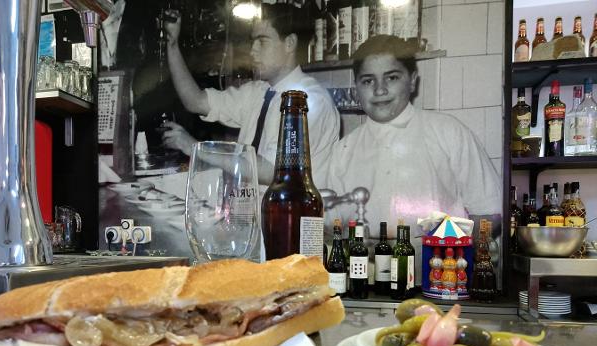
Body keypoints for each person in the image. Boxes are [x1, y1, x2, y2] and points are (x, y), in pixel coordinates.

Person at [320, 35, 502, 283]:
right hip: (366, 285)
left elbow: (490, 213)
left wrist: (445, 249)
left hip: (440, 279)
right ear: (356, 87)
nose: (380, 89)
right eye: (368, 80)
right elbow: (330, 228)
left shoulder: (448, 132)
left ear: (413, 81)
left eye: (392, 77)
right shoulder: (343, 151)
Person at [162, 3, 340, 185]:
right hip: (252, 208)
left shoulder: (310, 101)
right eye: (253, 42)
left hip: (293, 211)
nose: (252, 50)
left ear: (290, 43)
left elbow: (272, 171)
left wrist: (196, 148)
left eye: (262, 42)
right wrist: (172, 43)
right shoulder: (258, 92)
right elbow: (196, 101)